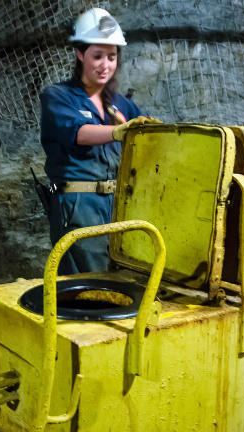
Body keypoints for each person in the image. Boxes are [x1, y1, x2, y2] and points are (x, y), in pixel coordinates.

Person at [39, 8, 156, 274]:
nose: (105, 65)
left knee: (124, 278)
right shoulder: (58, 96)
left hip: (120, 201)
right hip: (79, 203)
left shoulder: (121, 104)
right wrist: (119, 132)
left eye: (112, 57)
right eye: (97, 56)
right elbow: (79, 133)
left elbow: (145, 137)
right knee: (89, 281)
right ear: (80, 54)